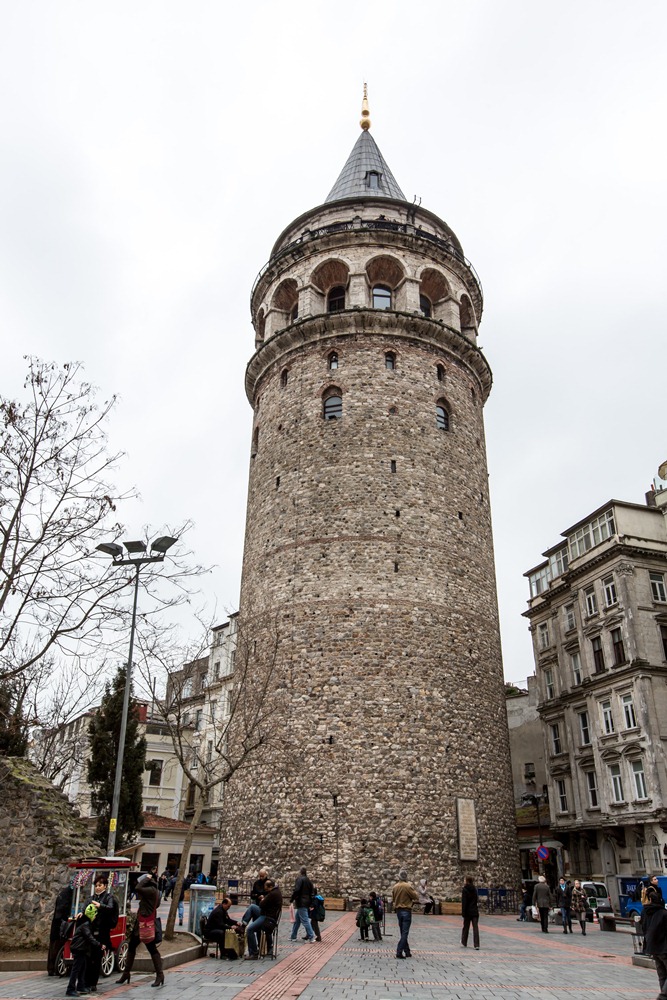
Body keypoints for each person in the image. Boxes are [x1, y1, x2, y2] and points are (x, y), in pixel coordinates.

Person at [116, 872, 164, 988]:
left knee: (152, 949)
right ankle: (126, 973)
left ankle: (160, 975)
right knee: (132, 947)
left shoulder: (151, 890)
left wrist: (146, 878)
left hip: (146, 925)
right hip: (142, 923)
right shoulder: (153, 890)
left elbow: (138, 887)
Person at [86, 875, 117, 991]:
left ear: (105, 886)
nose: (97, 888)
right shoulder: (91, 898)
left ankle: (93, 983)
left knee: (96, 958)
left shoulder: (109, 897)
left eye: (100, 885)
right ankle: (86, 981)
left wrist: (100, 906)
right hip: (90, 932)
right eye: (96, 885)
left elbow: (110, 908)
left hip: (102, 933)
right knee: (88, 957)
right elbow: (85, 907)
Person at [66, 905, 101, 997]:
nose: (96, 917)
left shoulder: (86, 923)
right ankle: (70, 988)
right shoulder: (85, 925)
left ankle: (81, 986)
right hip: (79, 948)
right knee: (76, 969)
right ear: (92, 915)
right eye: (95, 915)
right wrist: (99, 945)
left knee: (82, 967)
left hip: (82, 948)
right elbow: (89, 937)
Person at [244, 879, 283, 959]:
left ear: (270, 887)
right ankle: (243, 923)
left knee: (249, 930)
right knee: (252, 907)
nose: (266, 891)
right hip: (266, 913)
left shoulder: (273, 894)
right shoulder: (275, 892)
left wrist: (262, 899)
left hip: (268, 918)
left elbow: (262, 904)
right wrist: (265, 898)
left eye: (266, 889)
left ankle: (254, 953)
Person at [642, 886, 667, 999]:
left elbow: (644, 928)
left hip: (652, 947)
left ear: (650, 900)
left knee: (662, 975)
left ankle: (664, 993)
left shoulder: (645, 912)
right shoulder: (663, 913)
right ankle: (663, 995)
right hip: (664, 947)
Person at [391, 869, 418, 959]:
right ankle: (399, 951)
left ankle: (407, 951)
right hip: (406, 910)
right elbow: (416, 897)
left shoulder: (395, 887)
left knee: (403, 931)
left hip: (398, 911)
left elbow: (394, 898)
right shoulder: (407, 886)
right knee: (405, 932)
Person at [48, 883, 73, 976]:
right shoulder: (67, 894)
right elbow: (61, 910)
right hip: (60, 924)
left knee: (55, 945)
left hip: (58, 923)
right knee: (56, 945)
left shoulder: (64, 893)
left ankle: (53, 967)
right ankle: (54, 967)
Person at [290, 867, 316, 943]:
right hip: (306, 901)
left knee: (305, 920)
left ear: (300, 872)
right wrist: (311, 903)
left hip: (301, 902)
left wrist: (292, 899)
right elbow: (312, 892)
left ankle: (311, 936)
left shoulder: (299, 879)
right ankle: (293, 936)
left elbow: (297, 890)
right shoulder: (309, 881)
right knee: (297, 920)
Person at [461, 875, 480, 950]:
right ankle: (476, 944)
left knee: (466, 927)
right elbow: (476, 900)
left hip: (468, 911)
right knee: (475, 928)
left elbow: (464, 902)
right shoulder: (474, 889)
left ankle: (464, 941)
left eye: (464, 880)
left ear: (467, 881)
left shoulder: (465, 889)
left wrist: (463, 912)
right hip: (474, 911)